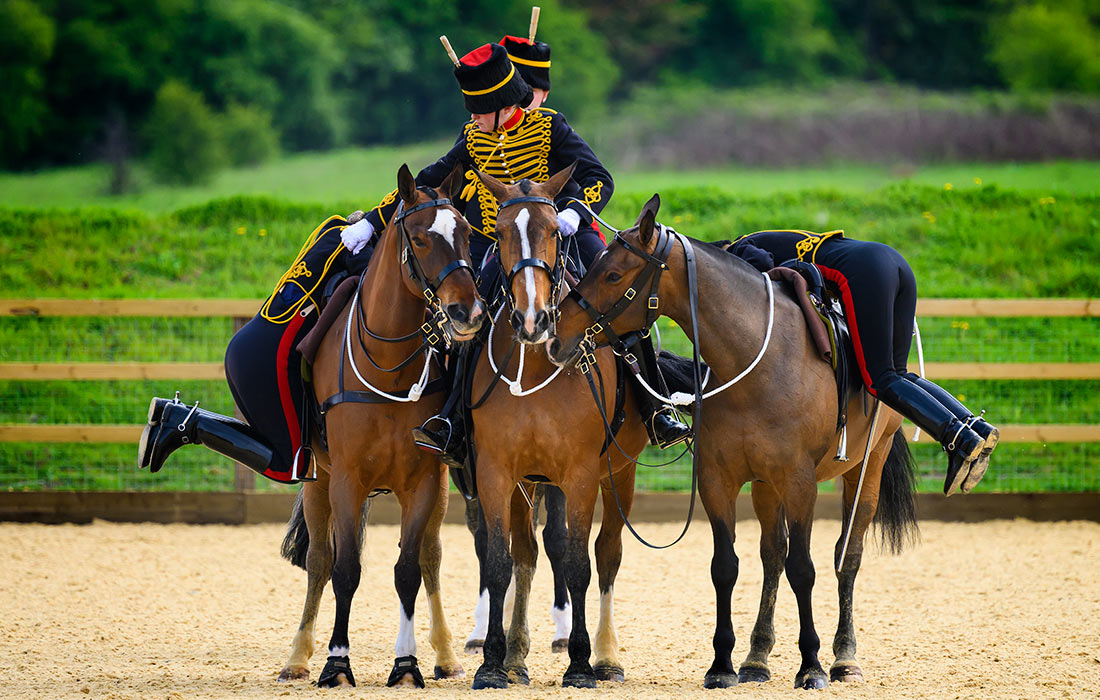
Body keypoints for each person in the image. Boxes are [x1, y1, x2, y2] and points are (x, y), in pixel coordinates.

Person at [338, 41, 691, 465]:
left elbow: (599, 176)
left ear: (503, 107)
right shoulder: (473, 138)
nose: (472, 118)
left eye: (478, 110)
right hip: (501, 245)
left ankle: (655, 409)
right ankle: (453, 421)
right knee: (472, 319)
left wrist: (575, 212)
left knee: (615, 298)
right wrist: (373, 222)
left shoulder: (549, 126)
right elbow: (426, 182)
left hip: (562, 233)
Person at [729, 230, 999, 496]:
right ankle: (975, 428)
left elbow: (759, 274)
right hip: (890, 260)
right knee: (899, 375)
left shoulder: (737, 249)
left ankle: (958, 439)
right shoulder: (762, 236)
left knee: (880, 380)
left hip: (861, 272)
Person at [139, 215, 375, 483]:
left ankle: (179, 416)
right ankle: (188, 424)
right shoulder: (354, 245)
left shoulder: (329, 232)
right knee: (288, 466)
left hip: (250, 345)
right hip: (270, 359)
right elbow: (377, 284)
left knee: (273, 447)